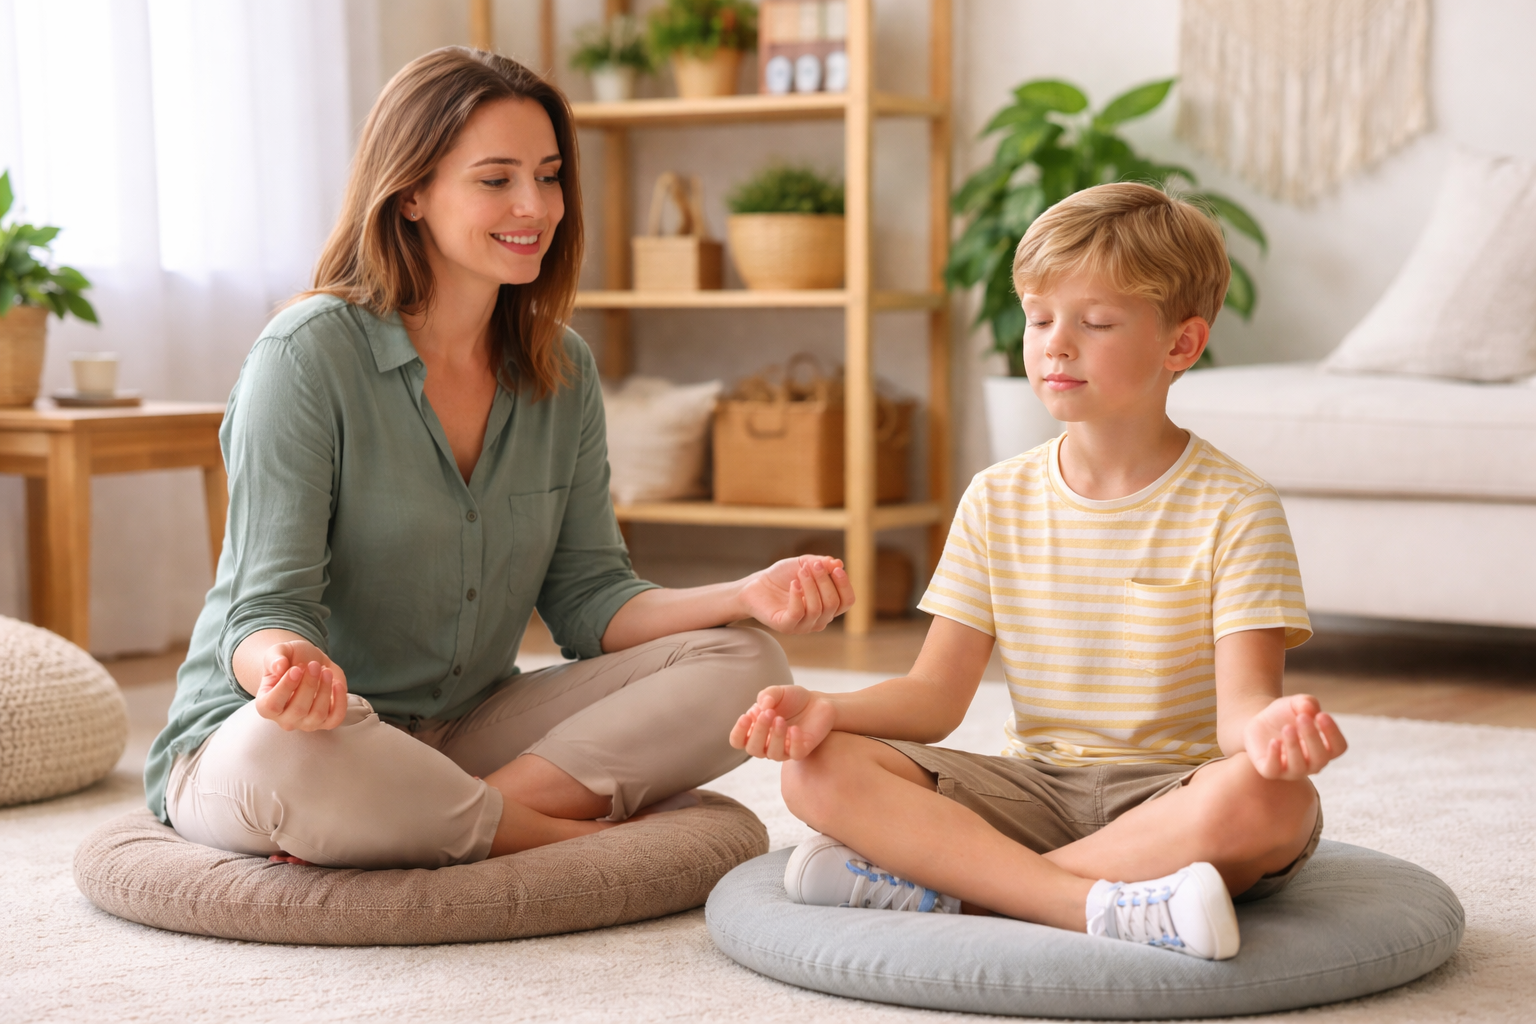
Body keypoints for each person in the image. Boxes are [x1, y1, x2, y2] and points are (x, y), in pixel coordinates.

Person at [144, 47, 854, 870]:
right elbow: (263, 608)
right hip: (290, 733)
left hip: (469, 723)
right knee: (292, 759)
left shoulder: (563, 368)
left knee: (746, 661)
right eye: (496, 179)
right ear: (410, 192)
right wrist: (288, 669)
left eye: (549, 176)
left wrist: (745, 594)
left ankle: (445, 810)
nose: (536, 206)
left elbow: (591, 601)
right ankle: (548, 836)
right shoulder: (304, 357)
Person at [730, 182, 1345, 960]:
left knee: (1275, 802)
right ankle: (1096, 902)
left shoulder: (1238, 508)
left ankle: (971, 895)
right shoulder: (996, 497)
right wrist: (829, 708)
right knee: (815, 773)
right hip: (1035, 789)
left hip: (1172, 795)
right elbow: (932, 699)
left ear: (1181, 346)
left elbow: (1242, 712)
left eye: (1094, 323)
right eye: (1039, 317)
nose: (1056, 343)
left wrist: (1273, 732)